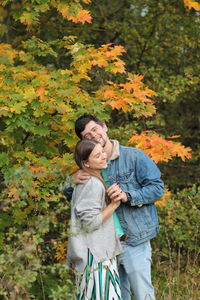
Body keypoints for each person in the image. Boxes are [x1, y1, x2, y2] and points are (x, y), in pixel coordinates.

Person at [66, 114, 165, 300]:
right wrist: (69, 182)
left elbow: (157, 188)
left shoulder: (134, 156)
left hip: (134, 240)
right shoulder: (88, 166)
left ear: (105, 127)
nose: (93, 136)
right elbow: (79, 203)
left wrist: (128, 196)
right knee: (117, 296)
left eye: (95, 129)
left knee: (143, 295)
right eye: (87, 135)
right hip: (105, 246)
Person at [67, 139, 123, 300]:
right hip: (96, 259)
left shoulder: (91, 179)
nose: (104, 156)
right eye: (97, 156)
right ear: (86, 163)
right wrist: (114, 204)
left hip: (97, 255)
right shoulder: (91, 183)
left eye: (102, 152)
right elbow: (90, 222)